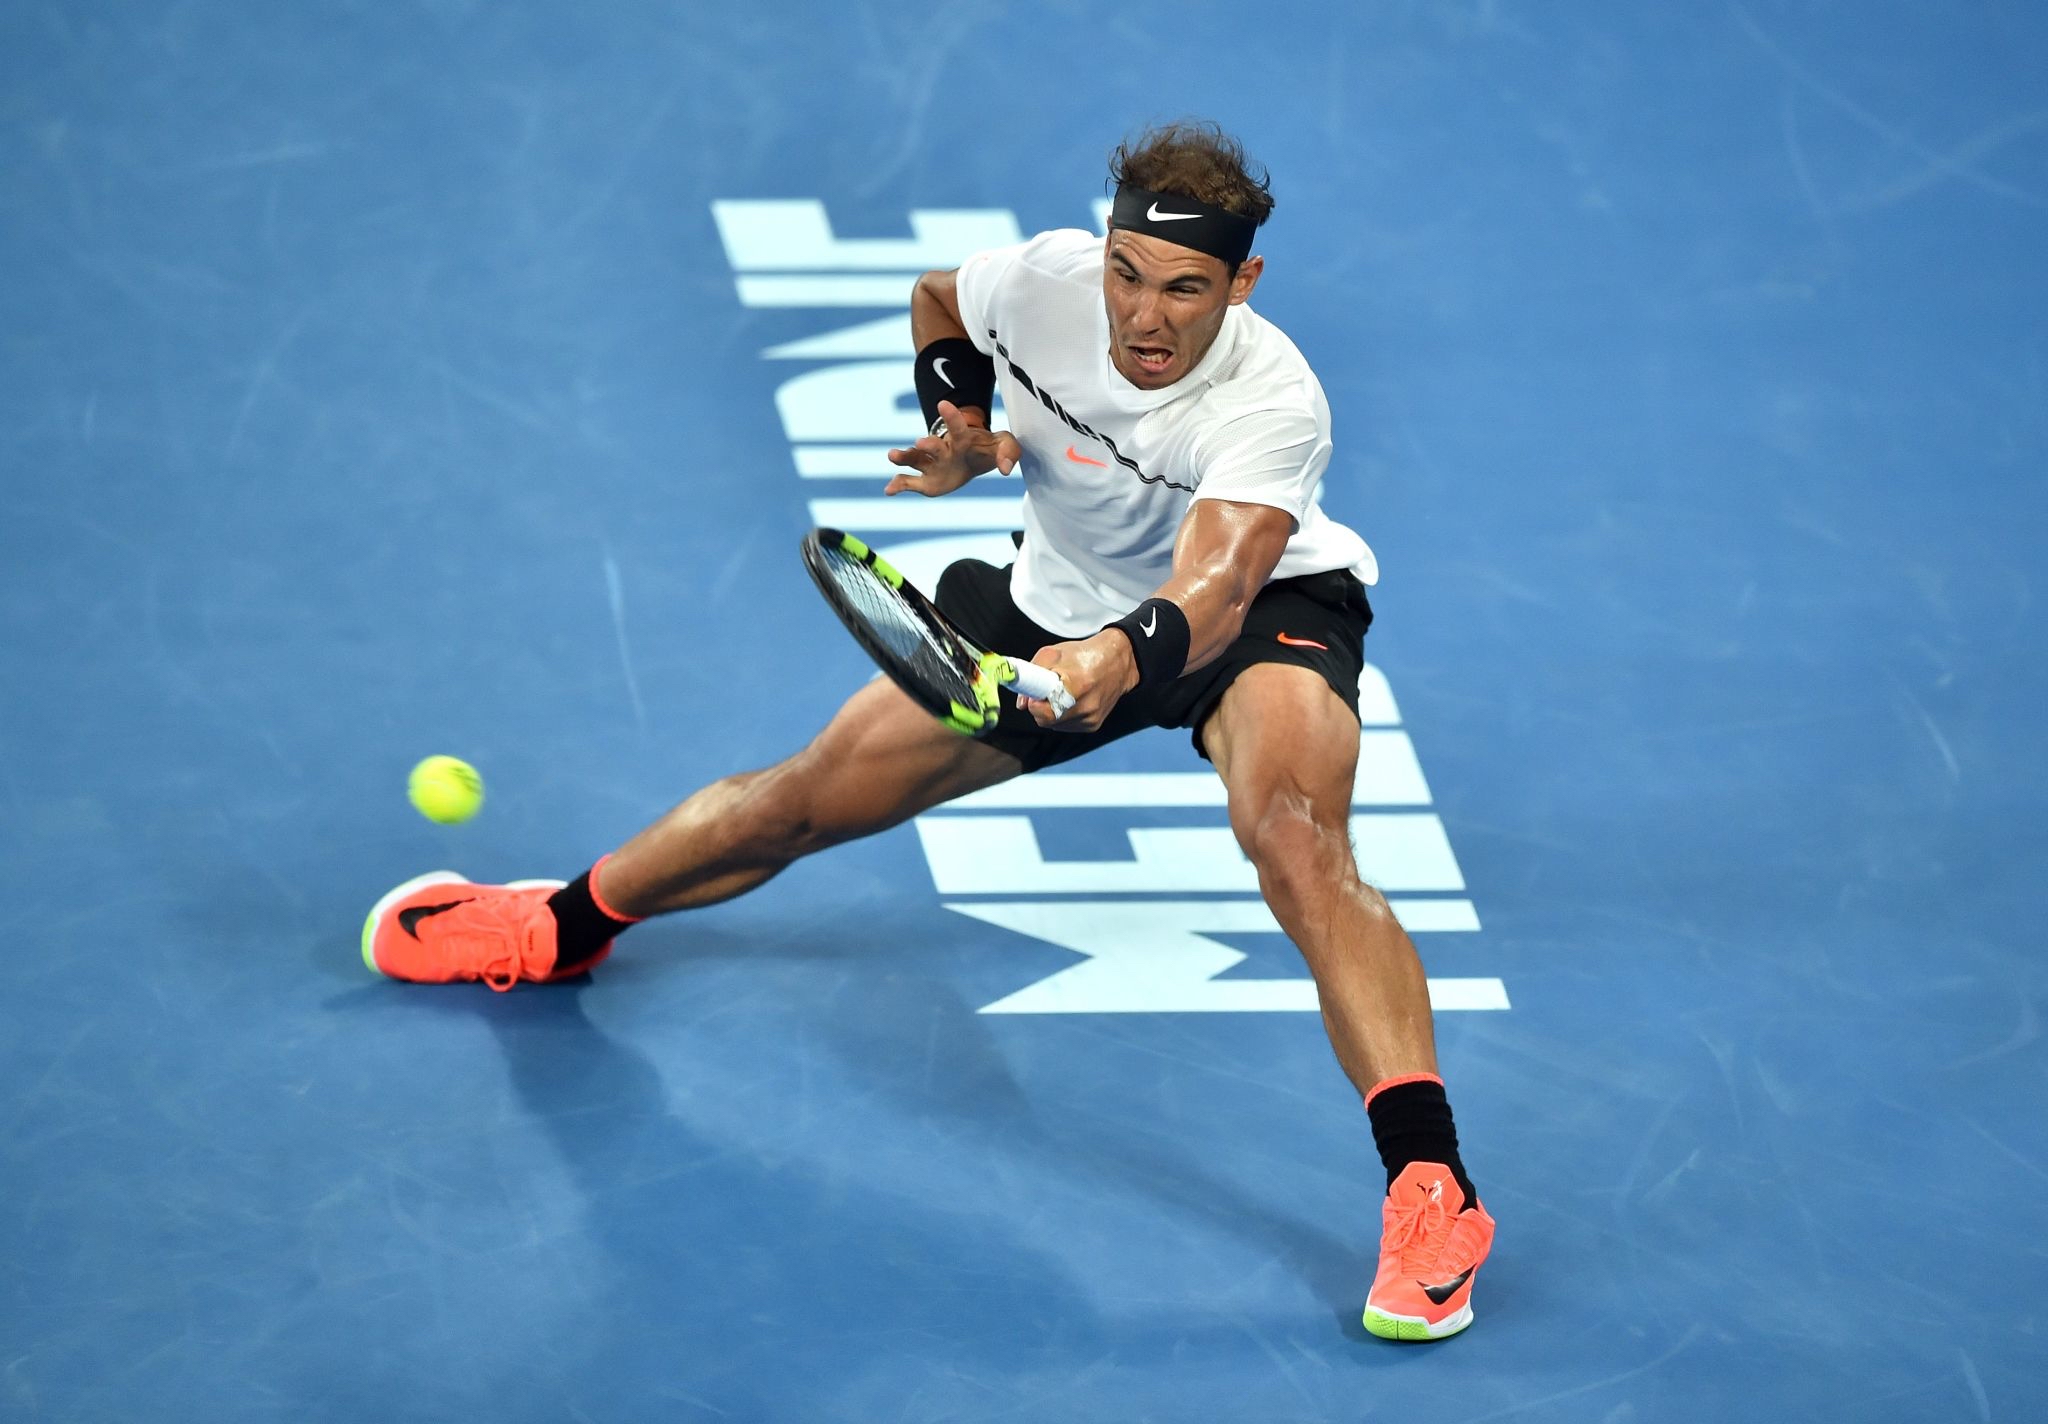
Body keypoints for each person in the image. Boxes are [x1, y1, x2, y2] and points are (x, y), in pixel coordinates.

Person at [362, 120, 1496, 1342]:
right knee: (797, 798)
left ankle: (1430, 1188)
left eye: (1184, 287)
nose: (1144, 314)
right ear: (1100, 249)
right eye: (1126, 272)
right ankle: (555, 922)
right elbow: (936, 298)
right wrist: (961, 424)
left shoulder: (1273, 401)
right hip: (1051, 601)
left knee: (1293, 838)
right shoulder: (1044, 280)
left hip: (1250, 615)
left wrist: (1110, 662)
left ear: (1242, 282)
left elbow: (1214, 589)